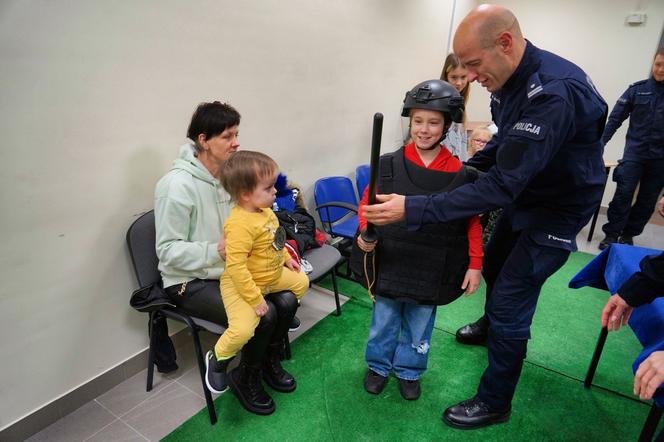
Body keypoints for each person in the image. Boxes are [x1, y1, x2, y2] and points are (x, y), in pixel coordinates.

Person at [362, 4, 607, 429]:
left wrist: (417, 206)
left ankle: (495, 401)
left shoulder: (552, 92)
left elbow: (500, 186)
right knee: (494, 262)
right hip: (527, 192)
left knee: (512, 296)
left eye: (474, 64)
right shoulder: (509, 80)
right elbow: (508, 148)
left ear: (505, 44)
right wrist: (462, 172)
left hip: (555, 209)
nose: (470, 76)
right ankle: (491, 328)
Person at [154, 102, 301, 416]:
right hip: (187, 281)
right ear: (204, 140)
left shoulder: (231, 176)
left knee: (287, 300)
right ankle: (244, 378)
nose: (236, 142)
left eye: (237, 134)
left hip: (231, 269)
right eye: (228, 136)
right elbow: (166, 251)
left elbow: (256, 224)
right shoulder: (175, 186)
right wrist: (215, 250)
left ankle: (266, 365)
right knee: (265, 315)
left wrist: (279, 253)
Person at [354, 79, 483, 401]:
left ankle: (410, 371)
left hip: (432, 266)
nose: (424, 129)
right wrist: (364, 233)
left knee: (419, 324)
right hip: (392, 259)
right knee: (384, 320)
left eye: (433, 122)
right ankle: (379, 366)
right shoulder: (386, 167)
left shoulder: (458, 173)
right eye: (418, 121)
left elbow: (471, 223)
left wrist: (475, 265)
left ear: (446, 125)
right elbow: (367, 206)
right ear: (410, 122)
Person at [209, 150, 309, 415]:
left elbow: (276, 239)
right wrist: (255, 300)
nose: (276, 191)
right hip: (243, 284)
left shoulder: (265, 211)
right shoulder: (240, 224)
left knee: (301, 283)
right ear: (245, 194)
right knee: (243, 329)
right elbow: (236, 267)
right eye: (268, 188)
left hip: (271, 275)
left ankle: (276, 344)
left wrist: (287, 257)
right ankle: (218, 358)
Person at [598, 50, 664, 250]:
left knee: (647, 201)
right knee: (623, 194)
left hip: (660, 159)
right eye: (658, 64)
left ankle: (628, 234)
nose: (660, 69)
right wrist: (599, 144)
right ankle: (611, 235)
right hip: (635, 154)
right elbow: (615, 119)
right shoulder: (637, 90)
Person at [440, 53, 471, 161]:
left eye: (463, 77)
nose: (459, 83)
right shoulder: (439, 103)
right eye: (454, 77)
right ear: (446, 77)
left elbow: (461, 144)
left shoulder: (460, 103)